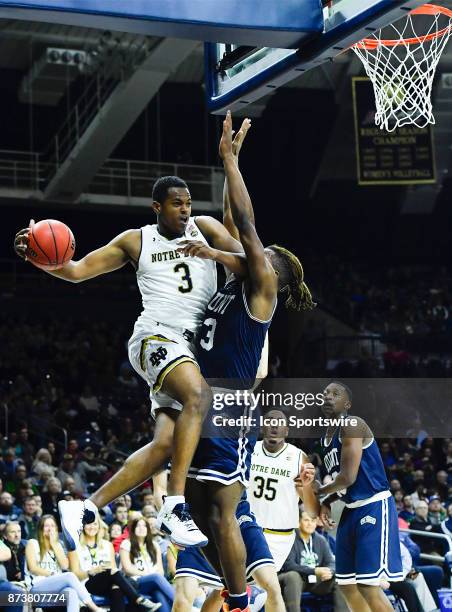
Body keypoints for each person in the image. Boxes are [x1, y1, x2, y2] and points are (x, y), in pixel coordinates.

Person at [15, 171, 246, 549]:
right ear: (157, 207)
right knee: (198, 398)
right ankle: (174, 504)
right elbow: (74, 271)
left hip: (191, 351)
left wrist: (214, 249)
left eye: (188, 203)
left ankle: (85, 508)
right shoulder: (135, 241)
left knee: (166, 445)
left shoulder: (204, 228)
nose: (185, 210)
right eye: (177, 204)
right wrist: (38, 255)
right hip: (155, 337)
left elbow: (247, 260)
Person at [172, 111, 316, 612]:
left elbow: (247, 226)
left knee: (223, 509)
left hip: (228, 406)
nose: (255, 249)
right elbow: (232, 228)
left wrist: (231, 161)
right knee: (199, 508)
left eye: (261, 253)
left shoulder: (263, 290)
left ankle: (238, 600)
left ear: (268, 269)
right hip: (199, 398)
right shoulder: (236, 281)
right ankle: (228, 592)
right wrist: (215, 251)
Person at [316, 381, 403, 612]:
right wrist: (327, 501)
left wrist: (319, 492)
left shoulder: (353, 424)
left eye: (335, 394)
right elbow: (340, 484)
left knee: (367, 585)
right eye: (325, 394)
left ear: (348, 403)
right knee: (347, 585)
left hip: (374, 505)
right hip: (351, 509)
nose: (328, 397)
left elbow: (347, 478)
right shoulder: (325, 439)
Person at [249, 409, 313, 571]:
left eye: (280, 422)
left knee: (261, 586)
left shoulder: (299, 457)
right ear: (262, 427)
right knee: (231, 585)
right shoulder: (248, 449)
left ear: (287, 430)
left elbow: (309, 500)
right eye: (270, 421)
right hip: (245, 528)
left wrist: (306, 487)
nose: (274, 426)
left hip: (278, 536)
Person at [68, 513, 160, 611]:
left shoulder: (107, 545)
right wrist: (92, 571)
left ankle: (139, 601)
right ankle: (138, 600)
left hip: (107, 582)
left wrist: (106, 570)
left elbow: (113, 570)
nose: (92, 527)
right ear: (82, 526)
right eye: (88, 524)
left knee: (116, 586)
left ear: (99, 525)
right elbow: (74, 575)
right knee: (115, 576)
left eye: (95, 524)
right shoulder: (75, 547)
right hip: (88, 584)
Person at [24, 514, 103, 612]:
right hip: (37, 587)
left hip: (56, 588)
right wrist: (52, 574)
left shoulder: (58, 545)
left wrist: (54, 544)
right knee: (69, 576)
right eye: (46, 526)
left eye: (52, 526)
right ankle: (94, 608)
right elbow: (33, 568)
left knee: (71, 592)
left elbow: (65, 565)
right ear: (41, 529)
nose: (50, 529)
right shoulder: (32, 543)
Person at [278, 510, 348, 612]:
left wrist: (329, 571)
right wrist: (314, 571)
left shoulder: (321, 540)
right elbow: (289, 565)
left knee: (339, 576)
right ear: (298, 522)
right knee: (293, 576)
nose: (310, 524)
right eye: (306, 520)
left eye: (313, 520)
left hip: (315, 581)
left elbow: (331, 562)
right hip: (295, 580)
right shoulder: (290, 538)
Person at [119, 516, 174, 612]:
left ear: (148, 529)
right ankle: (185, 606)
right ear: (133, 529)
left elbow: (160, 570)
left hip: (153, 583)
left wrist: (153, 576)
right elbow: (127, 569)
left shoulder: (154, 545)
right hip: (134, 583)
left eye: (144, 526)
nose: (141, 528)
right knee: (156, 577)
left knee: (159, 594)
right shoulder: (126, 544)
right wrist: (150, 574)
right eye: (138, 526)